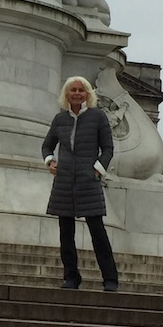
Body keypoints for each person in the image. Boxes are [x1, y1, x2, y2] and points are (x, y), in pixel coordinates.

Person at [42, 75, 119, 291]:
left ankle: (110, 278)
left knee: (97, 231)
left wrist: (98, 169)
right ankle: (71, 276)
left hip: (88, 180)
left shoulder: (98, 117)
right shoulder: (60, 119)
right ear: (66, 94)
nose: (77, 93)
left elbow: (108, 148)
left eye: (81, 90)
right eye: (72, 90)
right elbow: (47, 145)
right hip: (65, 181)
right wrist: (50, 161)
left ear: (87, 93)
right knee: (66, 233)